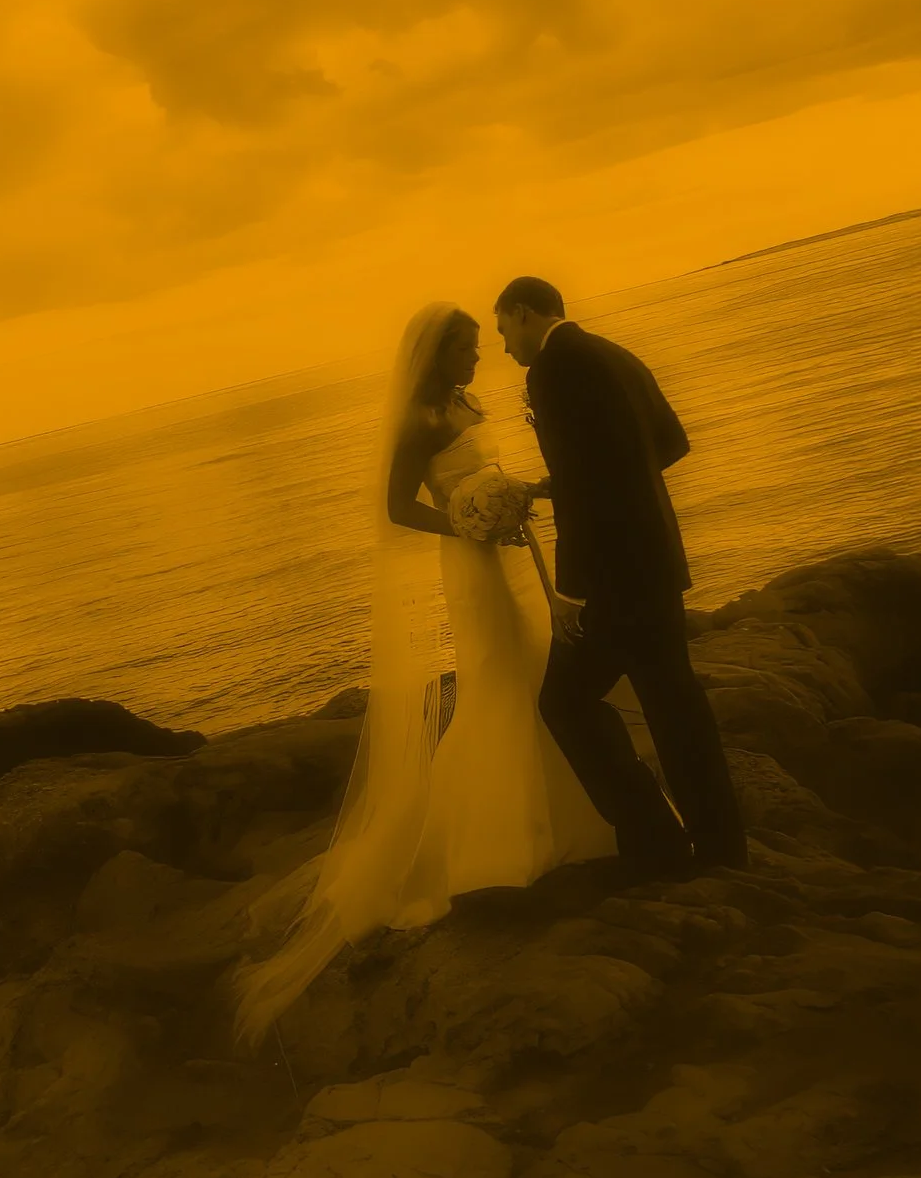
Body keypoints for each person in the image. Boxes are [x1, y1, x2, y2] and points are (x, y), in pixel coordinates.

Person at [232, 301, 614, 1042]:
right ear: (439, 354)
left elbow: (489, 468)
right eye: (469, 350)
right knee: (500, 684)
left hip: (505, 548)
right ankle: (495, 842)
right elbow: (396, 508)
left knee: (536, 672)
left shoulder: (468, 404)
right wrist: (466, 523)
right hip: (470, 560)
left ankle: (570, 812)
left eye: (480, 347)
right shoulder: (419, 422)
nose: (480, 360)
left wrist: (514, 501)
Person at [492, 275, 747, 877]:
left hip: (610, 577)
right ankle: (721, 847)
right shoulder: (614, 353)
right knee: (675, 704)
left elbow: (589, 480)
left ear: (525, 314)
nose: (505, 348)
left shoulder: (553, 369)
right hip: (657, 559)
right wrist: (610, 481)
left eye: (504, 330)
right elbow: (670, 442)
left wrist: (570, 589)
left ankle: (651, 834)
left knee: (564, 703)